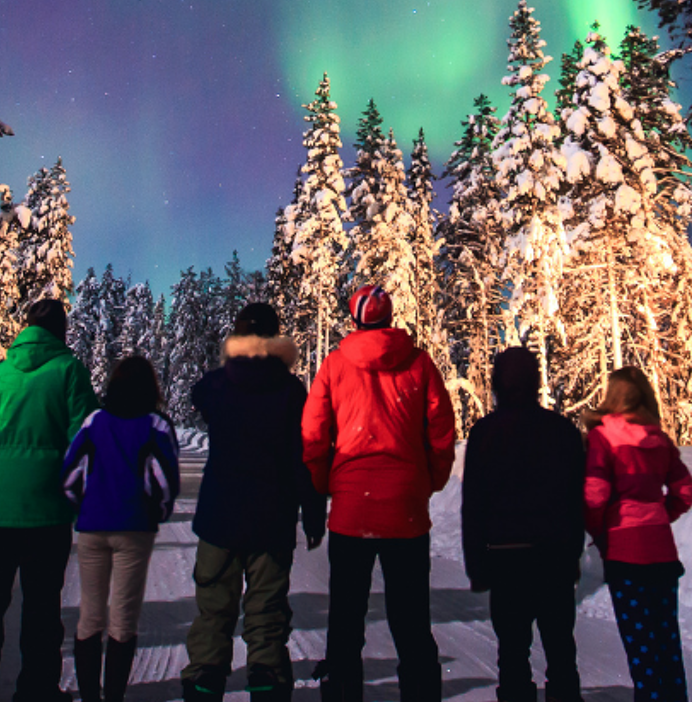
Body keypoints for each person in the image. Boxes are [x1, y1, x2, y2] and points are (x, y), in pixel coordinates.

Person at [302, 285, 454, 702]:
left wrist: (326, 483)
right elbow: (442, 432)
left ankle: (342, 691)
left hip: (352, 508)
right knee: (412, 619)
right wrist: (427, 481)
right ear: (390, 317)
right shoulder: (420, 363)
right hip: (405, 509)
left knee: (345, 617)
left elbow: (313, 434)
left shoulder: (334, 365)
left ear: (354, 320)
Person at [0, 299, 100, 702]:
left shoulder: (1, 374)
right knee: (41, 608)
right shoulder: (69, 370)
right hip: (48, 509)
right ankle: (36, 691)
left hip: (0, 510)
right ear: (61, 331)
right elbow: (87, 437)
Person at [181, 303, 327, 702]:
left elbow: (198, 395)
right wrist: (314, 515)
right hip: (271, 520)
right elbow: (303, 457)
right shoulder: (292, 391)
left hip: (219, 518)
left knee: (214, 611)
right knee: (267, 614)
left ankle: (204, 681)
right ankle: (267, 682)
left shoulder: (216, 385)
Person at [462, 347, 586, 702]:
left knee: (513, 653)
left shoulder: (485, 433)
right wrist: (573, 553)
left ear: (497, 383)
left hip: (506, 557)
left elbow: (474, 505)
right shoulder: (561, 430)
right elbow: (576, 499)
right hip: (554, 556)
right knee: (561, 649)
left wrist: (477, 565)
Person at [62, 354, 181, 702]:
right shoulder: (157, 425)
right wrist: (157, 512)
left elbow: (70, 473)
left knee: (90, 616)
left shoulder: (94, 421)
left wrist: (82, 507)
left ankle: (89, 696)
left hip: (93, 526)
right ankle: (113, 696)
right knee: (123, 618)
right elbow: (166, 479)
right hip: (134, 528)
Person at [583, 366, 692, 702]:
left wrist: (599, 529)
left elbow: (595, 494)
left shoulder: (602, 438)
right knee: (667, 641)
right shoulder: (659, 439)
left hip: (625, 552)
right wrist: (661, 515)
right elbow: (685, 491)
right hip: (662, 552)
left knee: (640, 645)